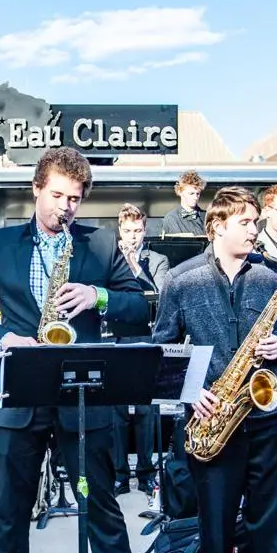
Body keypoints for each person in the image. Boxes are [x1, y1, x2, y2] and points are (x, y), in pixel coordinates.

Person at [0, 146, 149, 553]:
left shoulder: (99, 243)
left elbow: (139, 308)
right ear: (36, 189)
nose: (66, 207)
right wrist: (5, 336)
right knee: (8, 513)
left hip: (82, 392)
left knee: (102, 507)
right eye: (58, 196)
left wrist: (96, 296)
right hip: (20, 388)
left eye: (75, 199)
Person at [152, 186, 277, 553]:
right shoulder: (181, 279)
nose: (254, 230)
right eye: (245, 222)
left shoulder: (273, 275)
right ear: (216, 226)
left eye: (255, 222)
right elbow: (162, 349)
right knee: (215, 530)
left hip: (269, 420)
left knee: (274, 526)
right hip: (213, 420)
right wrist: (192, 392)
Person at [110, 203, 169, 496]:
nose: (132, 236)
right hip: (118, 339)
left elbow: (162, 295)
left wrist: (135, 268)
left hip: (146, 339)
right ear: (120, 230)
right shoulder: (110, 259)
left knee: (147, 411)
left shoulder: (157, 259)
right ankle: (120, 473)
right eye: (128, 231)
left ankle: (146, 473)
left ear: (145, 230)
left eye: (137, 231)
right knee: (117, 411)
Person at [161, 170, 206, 236]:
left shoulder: (206, 216)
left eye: (198, 194)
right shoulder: (171, 219)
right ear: (180, 192)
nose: (195, 197)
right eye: (191, 193)